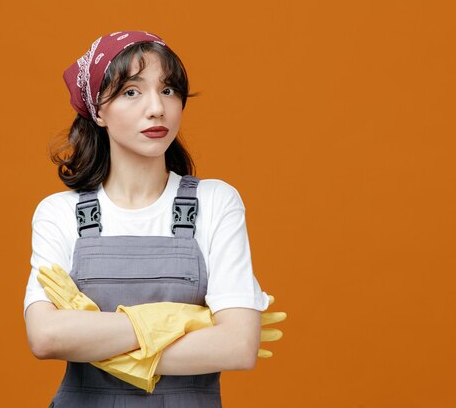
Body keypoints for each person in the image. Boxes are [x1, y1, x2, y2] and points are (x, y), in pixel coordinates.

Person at [24, 30, 271, 408]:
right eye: (131, 92)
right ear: (98, 111)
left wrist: (95, 336)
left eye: (169, 90)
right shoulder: (58, 213)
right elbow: (46, 337)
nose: (157, 108)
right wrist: (176, 319)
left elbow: (237, 346)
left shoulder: (215, 202)